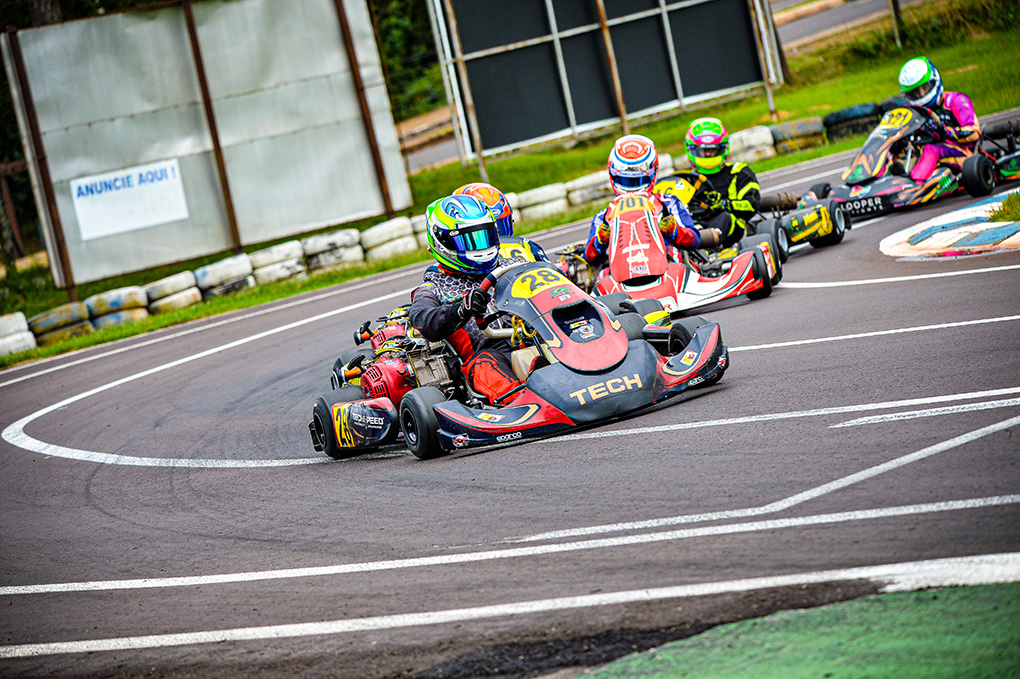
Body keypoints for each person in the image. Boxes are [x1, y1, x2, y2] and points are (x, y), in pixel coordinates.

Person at [409, 194, 522, 405]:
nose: (480, 247)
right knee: (485, 366)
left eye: (484, 237)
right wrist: (460, 309)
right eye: (469, 240)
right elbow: (423, 319)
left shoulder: (514, 265)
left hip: (536, 337)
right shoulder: (434, 288)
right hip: (490, 354)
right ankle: (522, 402)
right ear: (442, 241)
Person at [583, 134, 704, 267]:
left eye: (638, 181)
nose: (632, 189)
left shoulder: (668, 204)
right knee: (603, 275)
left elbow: (694, 240)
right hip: (623, 271)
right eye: (625, 181)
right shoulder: (604, 217)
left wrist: (674, 231)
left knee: (676, 258)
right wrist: (600, 242)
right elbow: (589, 258)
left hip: (667, 267)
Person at [897, 56, 980, 183]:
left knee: (931, 149)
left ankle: (915, 184)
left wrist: (946, 132)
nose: (921, 94)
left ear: (934, 81)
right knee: (893, 155)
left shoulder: (956, 101)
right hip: (927, 158)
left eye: (925, 88)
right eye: (915, 93)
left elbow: (974, 133)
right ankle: (883, 185)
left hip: (964, 155)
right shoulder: (915, 113)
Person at [683, 117, 761, 249]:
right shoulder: (686, 179)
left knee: (725, 217)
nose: (708, 154)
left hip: (732, 226)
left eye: (713, 149)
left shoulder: (738, 172)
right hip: (695, 224)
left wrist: (724, 204)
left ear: (723, 148)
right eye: (703, 150)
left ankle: (706, 250)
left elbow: (751, 205)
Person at [453, 182, 550, 263]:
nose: (498, 235)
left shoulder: (527, 246)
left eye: (501, 226)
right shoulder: (469, 263)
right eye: (486, 231)